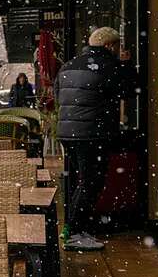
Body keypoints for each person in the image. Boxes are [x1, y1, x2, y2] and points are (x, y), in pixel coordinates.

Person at [54, 26, 138, 252]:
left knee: (78, 180)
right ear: (110, 46)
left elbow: (58, 96)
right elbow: (131, 90)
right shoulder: (110, 66)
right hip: (92, 133)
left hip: (67, 133)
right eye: (117, 46)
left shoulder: (68, 65)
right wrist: (127, 64)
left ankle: (72, 227)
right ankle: (74, 232)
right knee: (91, 182)